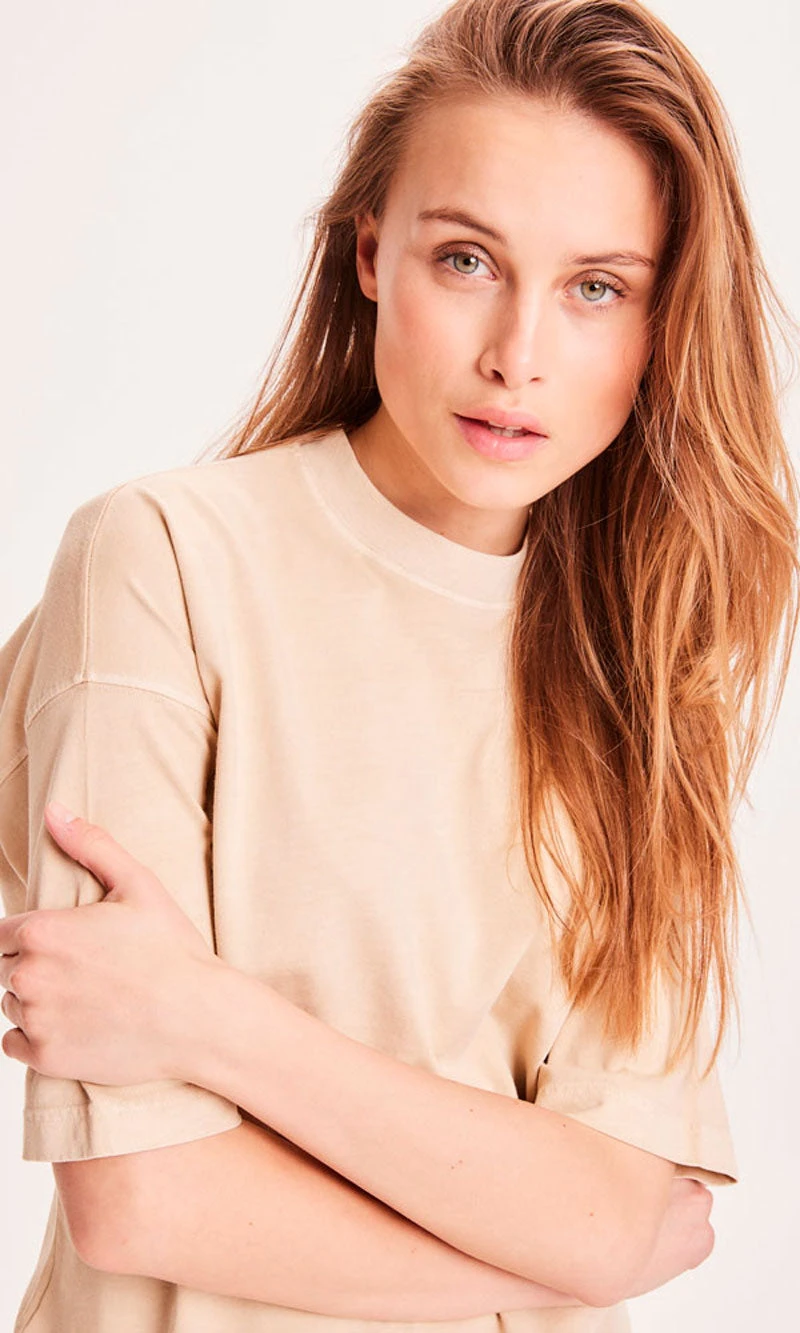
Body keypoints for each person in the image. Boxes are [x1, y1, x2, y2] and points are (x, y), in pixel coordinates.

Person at [0, 0, 797, 1329]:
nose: (517, 357)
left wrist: (207, 1020)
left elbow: (614, 1214)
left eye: (597, 287)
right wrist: (555, 1253)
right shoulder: (163, 563)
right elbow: (148, 1201)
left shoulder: (649, 677)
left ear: (665, 323)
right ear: (373, 252)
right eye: (468, 259)